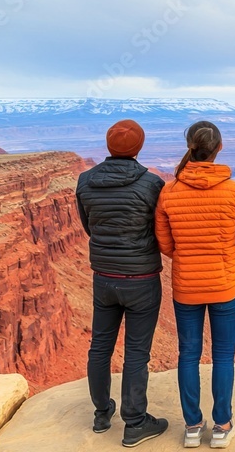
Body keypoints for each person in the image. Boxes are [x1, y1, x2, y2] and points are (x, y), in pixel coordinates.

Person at [155, 120, 235, 449]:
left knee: (188, 355)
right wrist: (223, 253)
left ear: (190, 147)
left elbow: (166, 245)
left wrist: (189, 255)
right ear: (219, 148)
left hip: (186, 286)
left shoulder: (169, 191)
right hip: (225, 285)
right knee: (223, 356)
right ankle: (222, 426)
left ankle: (191, 427)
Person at [76, 119, 169, 447]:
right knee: (136, 352)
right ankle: (135, 423)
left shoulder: (85, 181)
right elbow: (160, 231)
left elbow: (90, 226)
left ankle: (102, 414)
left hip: (104, 277)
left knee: (99, 346)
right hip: (142, 280)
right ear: (139, 147)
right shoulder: (151, 184)